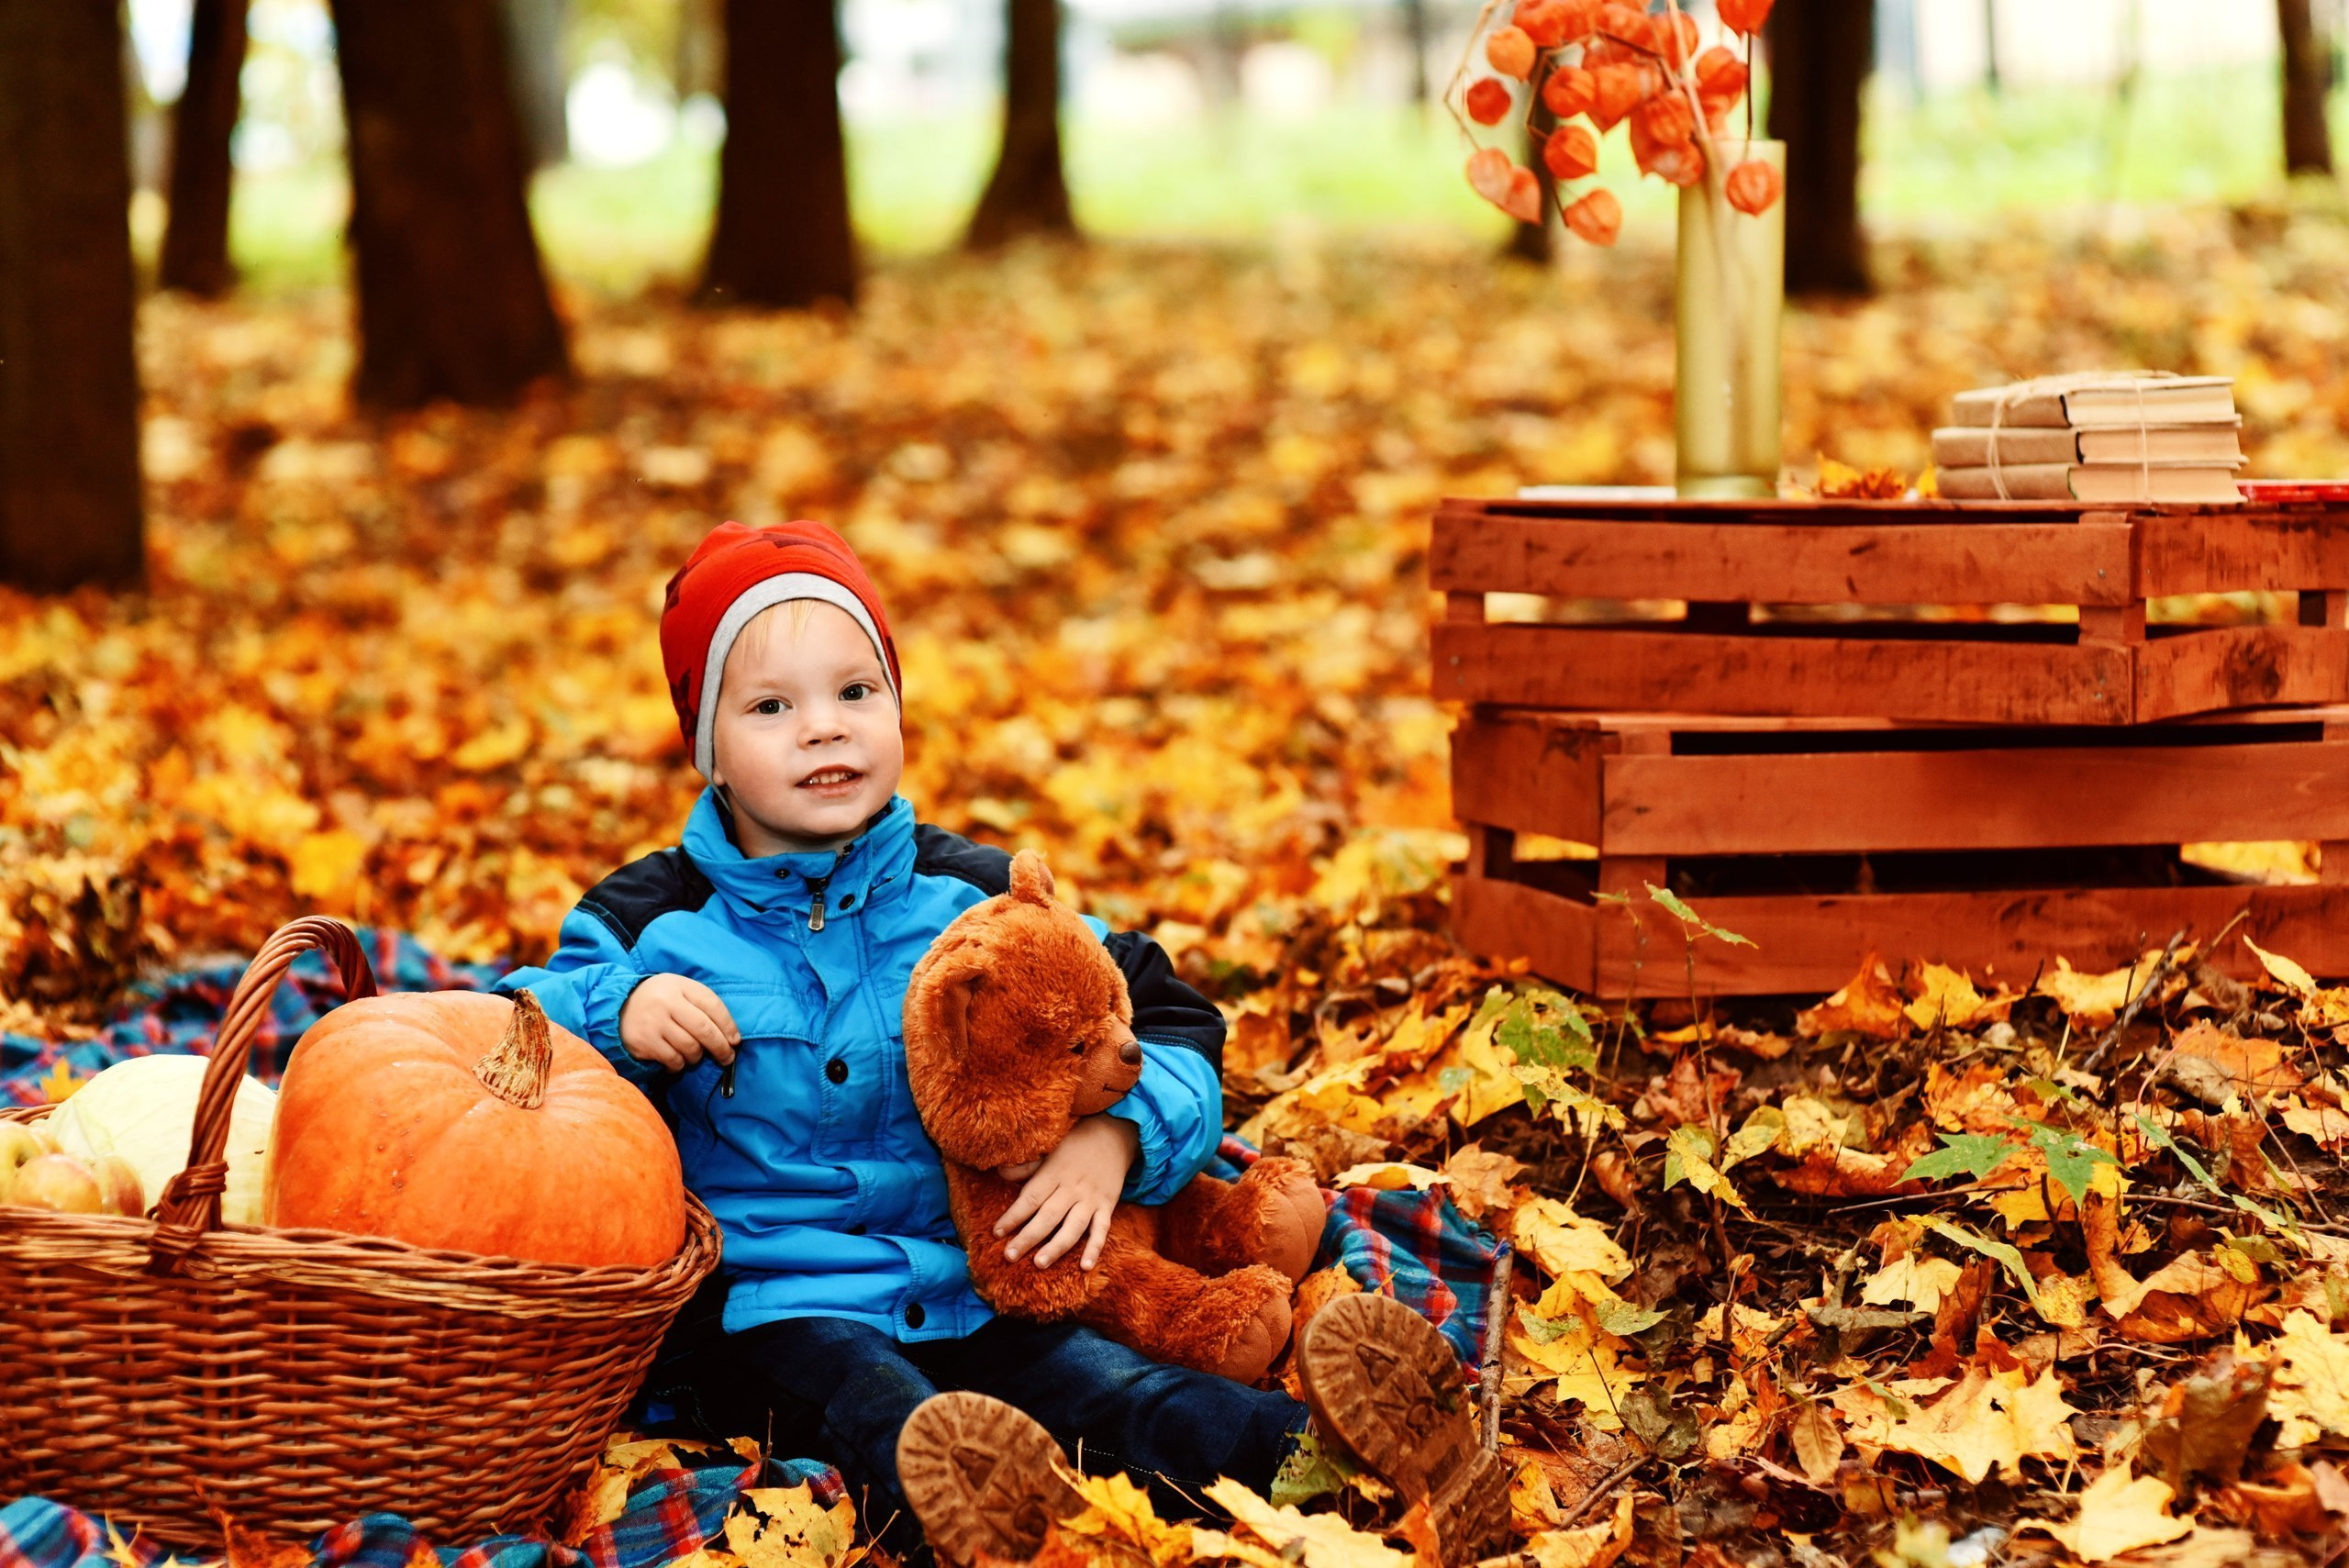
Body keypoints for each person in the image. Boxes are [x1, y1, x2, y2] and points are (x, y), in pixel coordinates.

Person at [497, 520, 1506, 1567]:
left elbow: (1165, 1018)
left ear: (897, 704)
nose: (822, 729)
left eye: (855, 691)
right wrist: (614, 1011)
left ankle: (1378, 1467)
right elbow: (501, 1038)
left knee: (1120, 1392)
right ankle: (1001, 1525)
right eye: (768, 706)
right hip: (774, 1307)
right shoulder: (650, 919)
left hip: (983, 1276)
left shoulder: (969, 891)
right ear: (705, 745)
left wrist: (1114, 1138)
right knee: (879, 1409)